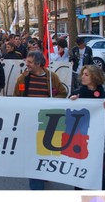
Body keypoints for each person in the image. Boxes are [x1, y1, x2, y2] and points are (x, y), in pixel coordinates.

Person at [14, 51, 68, 190]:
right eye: (27, 61)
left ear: (38, 63)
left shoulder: (52, 78)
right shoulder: (22, 78)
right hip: (30, 122)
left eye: (30, 62)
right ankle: (36, 186)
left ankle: (44, 173)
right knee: (33, 153)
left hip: (48, 121)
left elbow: (63, 93)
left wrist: (50, 103)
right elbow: (16, 98)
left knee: (46, 151)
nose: (27, 64)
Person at [70, 65, 105, 190]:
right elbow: (68, 116)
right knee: (79, 173)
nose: (82, 76)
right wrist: (70, 102)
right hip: (79, 139)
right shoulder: (76, 94)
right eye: (83, 74)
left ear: (95, 77)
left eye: (86, 74)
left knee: (98, 174)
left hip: (96, 140)